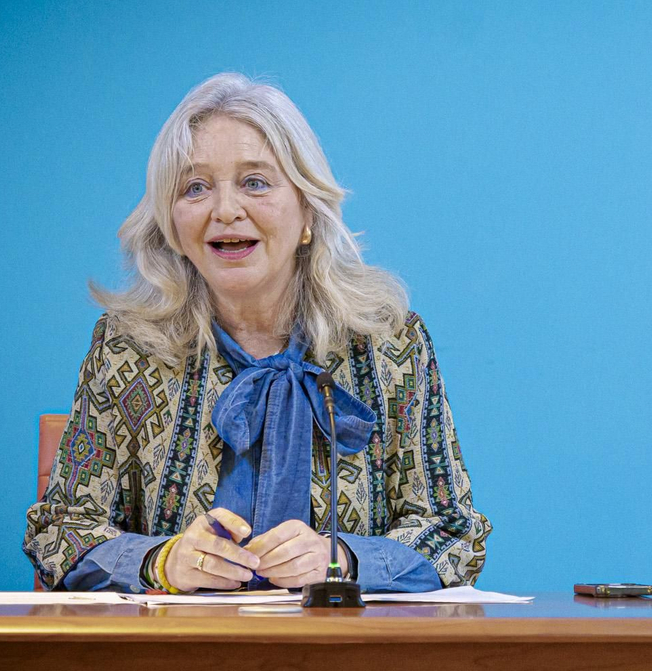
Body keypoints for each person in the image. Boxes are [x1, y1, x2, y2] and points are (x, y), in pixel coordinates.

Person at [25, 74, 490, 593]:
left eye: (255, 182)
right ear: (173, 224)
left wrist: (341, 559)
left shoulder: (388, 343)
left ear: (308, 212)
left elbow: (455, 533)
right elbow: (57, 532)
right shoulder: (127, 346)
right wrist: (162, 561)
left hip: (351, 662)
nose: (225, 210)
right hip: (173, 664)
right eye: (195, 187)